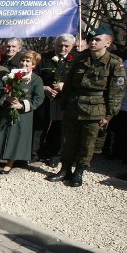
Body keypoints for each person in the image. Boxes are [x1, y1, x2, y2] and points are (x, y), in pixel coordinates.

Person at [48, 27, 125, 187]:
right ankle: (65, 169)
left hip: (96, 109)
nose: (93, 42)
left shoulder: (114, 63)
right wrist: (64, 105)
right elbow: (68, 85)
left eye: (97, 39)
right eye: (91, 39)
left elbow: (117, 92)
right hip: (73, 105)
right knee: (68, 140)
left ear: (108, 43)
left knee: (87, 143)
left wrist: (109, 114)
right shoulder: (80, 59)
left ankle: (79, 171)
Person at [0, 51, 45, 173]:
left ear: (33, 65)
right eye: (22, 60)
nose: (24, 63)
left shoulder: (36, 79)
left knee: (17, 137)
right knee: (0, 135)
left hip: (23, 114)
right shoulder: (10, 75)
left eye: (28, 61)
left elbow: (39, 98)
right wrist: (6, 98)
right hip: (6, 110)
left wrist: (22, 105)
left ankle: (9, 163)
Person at [37, 33, 79, 165]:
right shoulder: (44, 58)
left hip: (65, 100)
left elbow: (80, 81)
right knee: (40, 126)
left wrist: (65, 86)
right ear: (54, 45)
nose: (63, 48)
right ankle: (35, 153)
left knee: (59, 128)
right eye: (60, 45)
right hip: (45, 97)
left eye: (66, 46)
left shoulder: (78, 59)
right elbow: (35, 77)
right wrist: (44, 88)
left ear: (72, 46)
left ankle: (55, 155)